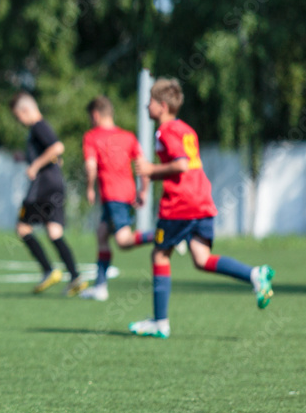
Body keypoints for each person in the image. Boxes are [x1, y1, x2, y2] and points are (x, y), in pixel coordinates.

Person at [129, 78, 273, 338]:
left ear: (162, 106)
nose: (145, 106)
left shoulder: (165, 131)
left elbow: (182, 165)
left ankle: (160, 323)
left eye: (149, 102)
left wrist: (151, 170)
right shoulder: (186, 129)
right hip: (202, 200)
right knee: (201, 259)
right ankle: (254, 275)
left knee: (160, 256)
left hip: (180, 204)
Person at [10, 91, 87, 296]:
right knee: (54, 232)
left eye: (18, 117)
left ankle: (48, 270)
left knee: (23, 228)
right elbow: (54, 155)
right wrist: (27, 158)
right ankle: (75, 277)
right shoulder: (39, 128)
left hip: (42, 187)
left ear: (25, 110)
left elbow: (57, 147)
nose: (20, 121)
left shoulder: (38, 126)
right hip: (55, 184)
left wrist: (35, 165)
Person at [78, 95, 154, 301]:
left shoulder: (92, 137)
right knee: (102, 233)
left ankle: (163, 233)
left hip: (112, 195)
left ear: (95, 114)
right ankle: (100, 287)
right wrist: (144, 190)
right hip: (127, 194)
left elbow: (90, 166)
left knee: (122, 240)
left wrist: (89, 188)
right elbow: (143, 164)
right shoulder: (128, 137)